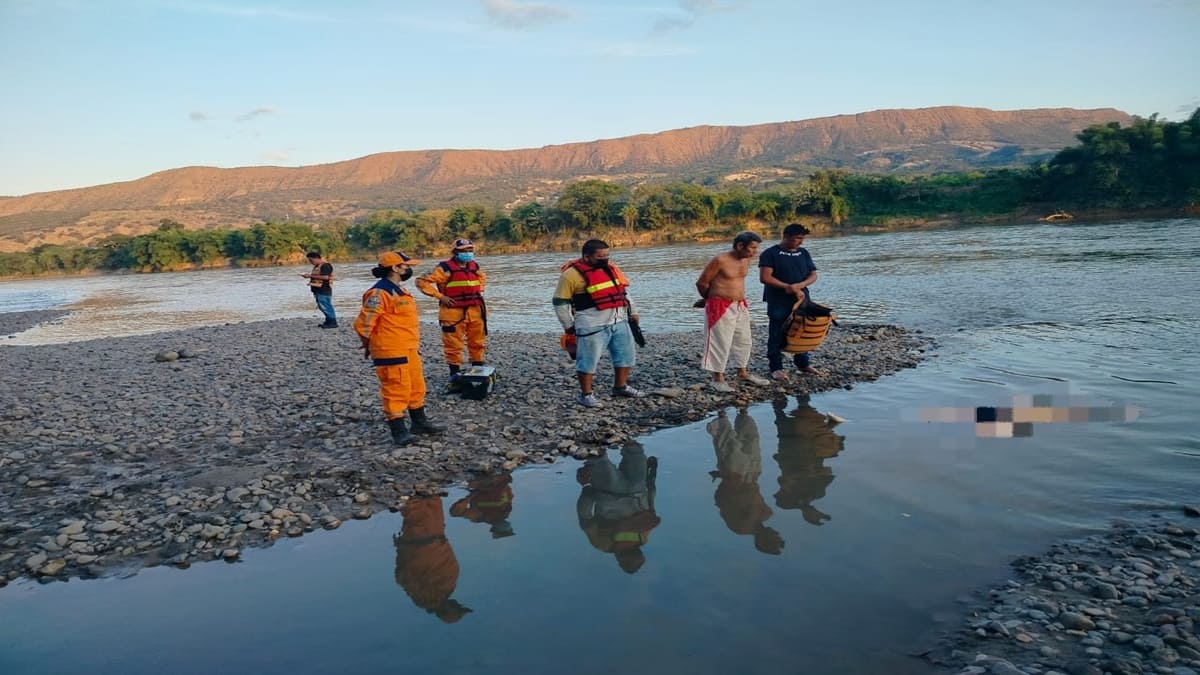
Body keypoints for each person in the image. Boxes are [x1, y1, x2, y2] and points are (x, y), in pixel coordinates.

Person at [353, 251, 446, 447]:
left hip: (408, 346)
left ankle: (419, 422)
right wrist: (369, 345)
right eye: (405, 266)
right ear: (395, 268)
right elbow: (364, 325)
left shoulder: (399, 290)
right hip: (390, 349)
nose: (408, 269)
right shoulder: (379, 293)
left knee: (416, 385)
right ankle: (399, 431)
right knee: (396, 389)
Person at [553, 239, 647, 408]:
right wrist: (568, 325)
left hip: (619, 321)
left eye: (607, 255)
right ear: (587, 257)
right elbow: (560, 303)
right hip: (591, 324)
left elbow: (623, 292)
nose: (605, 259)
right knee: (588, 360)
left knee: (625, 356)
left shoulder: (612, 269)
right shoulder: (570, 275)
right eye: (600, 256)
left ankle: (620, 387)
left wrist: (633, 311)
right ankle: (586, 394)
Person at [695, 231, 771, 393]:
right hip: (719, 305)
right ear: (740, 246)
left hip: (740, 304)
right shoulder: (720, 260)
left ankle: (742, 372)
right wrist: (709, 299)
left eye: (756, 248)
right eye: (752, 248)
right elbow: (702, 283)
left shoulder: (746, 259)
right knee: (720, 341)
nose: (755, 252)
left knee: (744, 339)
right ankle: (718, 378)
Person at [576, 441, 660, 574]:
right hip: (636, 490)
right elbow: (649, 508)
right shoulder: (641, 539)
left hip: (611, 493)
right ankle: (621, 430)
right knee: (634, 449)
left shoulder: (604, 544)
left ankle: (594, 434)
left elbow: (585, 519)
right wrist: (650, 480)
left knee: (598, 456)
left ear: (620, 560)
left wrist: (587, 489)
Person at [707, 408, 783, 555]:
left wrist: (726, 482)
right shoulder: (766, 514)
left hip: (735, 479)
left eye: (774, 535)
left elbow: (722, 503)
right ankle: (743, 413)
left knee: (730, 447)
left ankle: (721, 416)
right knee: (752, 440)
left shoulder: (741, 527)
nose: (775, 531)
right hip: (752, 475)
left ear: (763, 540)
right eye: (776, 534)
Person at [416, 238, 488, 391]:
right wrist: (440, 296)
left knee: (478, 341)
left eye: (470, 250)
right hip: (452, 312)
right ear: (455, 252)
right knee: (453, 345)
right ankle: (454, 374)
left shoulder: (474, 266)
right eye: (464, 251)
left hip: (475, 310)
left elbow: (482, 277)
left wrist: (479, 290)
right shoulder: (444, 268)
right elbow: (421, 281)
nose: (468, 254)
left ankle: (478, 369)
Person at [759, 223, 823, 379]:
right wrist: (787, 287)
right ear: (786, 236)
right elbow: (765, 277)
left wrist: (799, 286)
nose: (801, 242)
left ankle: (803, 363)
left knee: (801, 329)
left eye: (802, 238)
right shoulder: (770, 253)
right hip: (778, 300)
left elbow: (813, 274)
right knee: (776, 332)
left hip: (801, 298)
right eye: (797, 238)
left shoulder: (803, 253)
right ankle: (776, 367)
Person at [393, 497, 472, 624]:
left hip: (423, 540)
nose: (458, 603)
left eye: (456, 607)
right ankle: (419, 486)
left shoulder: (427, 598)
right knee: (432, 499)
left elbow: (404, 577)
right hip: (433, 536)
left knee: (417, 508)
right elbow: (401, 577)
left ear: (446, 610)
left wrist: (405, 554)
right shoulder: (445, 592)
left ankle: (409, 487)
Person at [772, 395, 845, 526]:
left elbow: (783, 489)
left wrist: (804, 506)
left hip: (793, 454)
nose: (781, 489)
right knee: (790, 423)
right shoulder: (817, 492)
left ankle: (787, 399)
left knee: (783, 421)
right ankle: (800, 400)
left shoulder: (790, 500)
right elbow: (828, 472)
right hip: (806, 452)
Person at [449, 473, 515, 539]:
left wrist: (471, 496)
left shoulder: (480, 517)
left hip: (477, 482)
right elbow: (506, 491)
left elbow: (455, 512)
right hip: (486, 481)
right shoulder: (506, 510)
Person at [301, 250, 337, 328]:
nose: (311, 262)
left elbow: (326, 277)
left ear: (316, 258)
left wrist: (309, 276)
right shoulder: (317, 266)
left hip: (324, 289)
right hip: (318, 289)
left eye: (311, 260)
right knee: (322, 306)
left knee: (326, 306)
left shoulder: (325, 265)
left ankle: (332, 322)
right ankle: (328, 321)